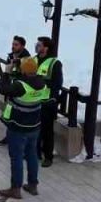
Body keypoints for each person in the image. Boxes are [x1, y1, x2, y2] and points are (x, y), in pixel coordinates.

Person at [0, 56, 49, 199]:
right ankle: (33, 184)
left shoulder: (20, 86)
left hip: (18, 126)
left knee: (17, 157)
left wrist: (6, 73)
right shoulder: (42, 83)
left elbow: (2, 88)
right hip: (34, 126)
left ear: (24, 71)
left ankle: (15, 188)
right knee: (31, 154)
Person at [0, 36, 31, 146]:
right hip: (10, 90)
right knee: (8, 114)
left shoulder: (27, 60)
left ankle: (20, 141)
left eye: (16, 45)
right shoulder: (11, 56)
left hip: (19, 92)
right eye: (13, 44)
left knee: (19, 118)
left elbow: (27, 76)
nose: (13, 46)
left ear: (22, 46)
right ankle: (9, 136)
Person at [35, 36, 64, 168]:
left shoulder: (54, 63)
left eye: (39, 44)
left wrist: (53, 99)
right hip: (33, 101)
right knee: (34, 129)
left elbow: (57, 83)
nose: (37, 46)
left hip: (47, 103)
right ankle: (35, 153)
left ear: (46, 47)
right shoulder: (33, 60)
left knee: (47, 131)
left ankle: (48, 156)